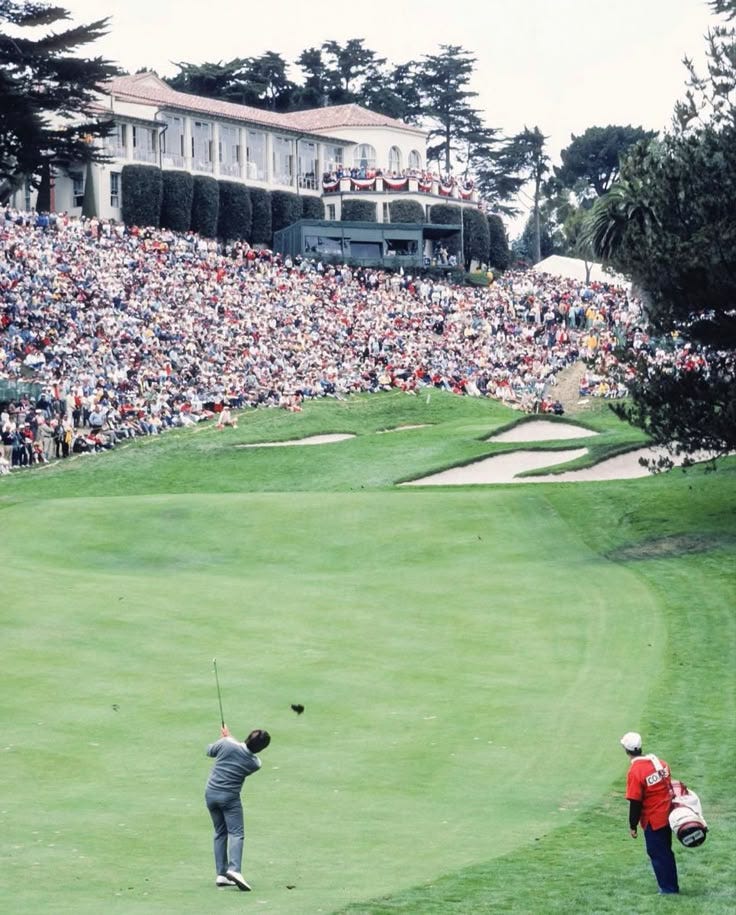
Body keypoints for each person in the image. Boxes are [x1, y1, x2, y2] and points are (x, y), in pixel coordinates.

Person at [205, 724, 271, 891]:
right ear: (261, 749)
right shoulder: (255, 763)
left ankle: (221, 874)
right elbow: (241, 751)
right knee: (236, 832)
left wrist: (225, 739)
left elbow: (210, 750)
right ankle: (234, 870)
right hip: (229, 799)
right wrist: (228, 739)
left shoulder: (226, 744)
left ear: (248, 736)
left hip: (211, 794)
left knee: (220, 832)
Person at [620, 731, 679, 895]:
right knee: (666, 851)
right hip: (669, 815)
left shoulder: (635, 772)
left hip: (654, 819)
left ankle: (668, 889)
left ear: (626, 750)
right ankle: (671, 885)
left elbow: (635, 802)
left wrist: (632, 825)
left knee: (658, 853)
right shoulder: (660, 763)